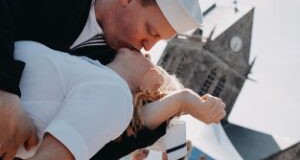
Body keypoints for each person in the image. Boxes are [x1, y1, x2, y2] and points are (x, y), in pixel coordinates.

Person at [0, 0, 203, 159]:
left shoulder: (115, 65)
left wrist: (175, 103)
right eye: (150, 32)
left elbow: (98, 145)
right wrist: (5, 92)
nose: (148, 47)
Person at [13, 41, 225, 160]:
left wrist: (183, 100)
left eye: (152, 63)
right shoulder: (90, 66)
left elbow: (142, 121)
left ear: (149, 87)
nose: (148, 53)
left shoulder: (113, 98)